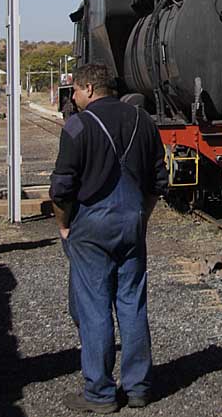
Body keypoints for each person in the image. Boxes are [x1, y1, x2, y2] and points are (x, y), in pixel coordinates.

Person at [50, 64, 168, 413]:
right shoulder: (143, 121)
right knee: (132, 303)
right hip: (132, 221)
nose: (72, 96)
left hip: (90, 226)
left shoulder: (77, 125)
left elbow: (61, 189)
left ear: (88, 88)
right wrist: (141, 218)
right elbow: (158, 182)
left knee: (94, 307)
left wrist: (64, 226)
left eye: (75, 90)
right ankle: (138, 388)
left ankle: (100, 393)